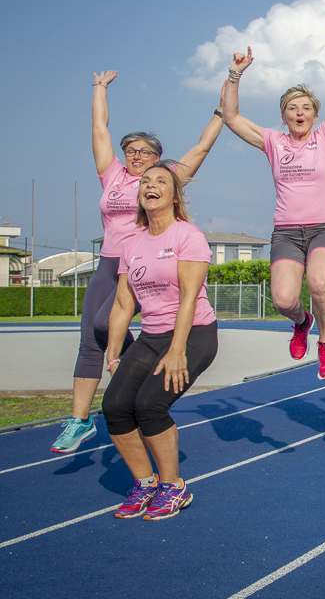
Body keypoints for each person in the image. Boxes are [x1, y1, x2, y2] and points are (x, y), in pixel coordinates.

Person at [51, 71, 225, 454]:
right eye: (131, 150)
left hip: (142, 263)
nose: (135, 156)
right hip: (108, 262)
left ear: (158, 159)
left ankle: (137, 368)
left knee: (106, 321)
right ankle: (79, 420)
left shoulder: (163, 179)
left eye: (144, 152)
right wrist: (99, 88)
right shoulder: (112, 175)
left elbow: (201, 148)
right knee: (90, 338)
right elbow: (99, 128)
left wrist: (220, 112)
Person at [223, 20, 325, 380]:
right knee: (282, 299)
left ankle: (324, 345)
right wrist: (234, 75)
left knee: (319, 284)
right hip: (286, 232)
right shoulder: (273, 142)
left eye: (306, 107)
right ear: (283, 116)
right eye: (292, 107)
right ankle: (302, 321)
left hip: (324, 228)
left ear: (315, 114)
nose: (299, 112)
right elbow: (231, 117)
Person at [102, 163, 219, 520]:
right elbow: (124, 304)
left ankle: (172, 487)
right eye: (146, 182)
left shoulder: (188, 236)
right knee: (116, 406)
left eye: (161, 182)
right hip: (151, 335)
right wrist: (112, 355)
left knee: (150, 404)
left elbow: (188, 298)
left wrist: (177, 351)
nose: (151, 186)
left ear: (174, 194)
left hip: (193, 334)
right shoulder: (132, 242)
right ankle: (144, 483)